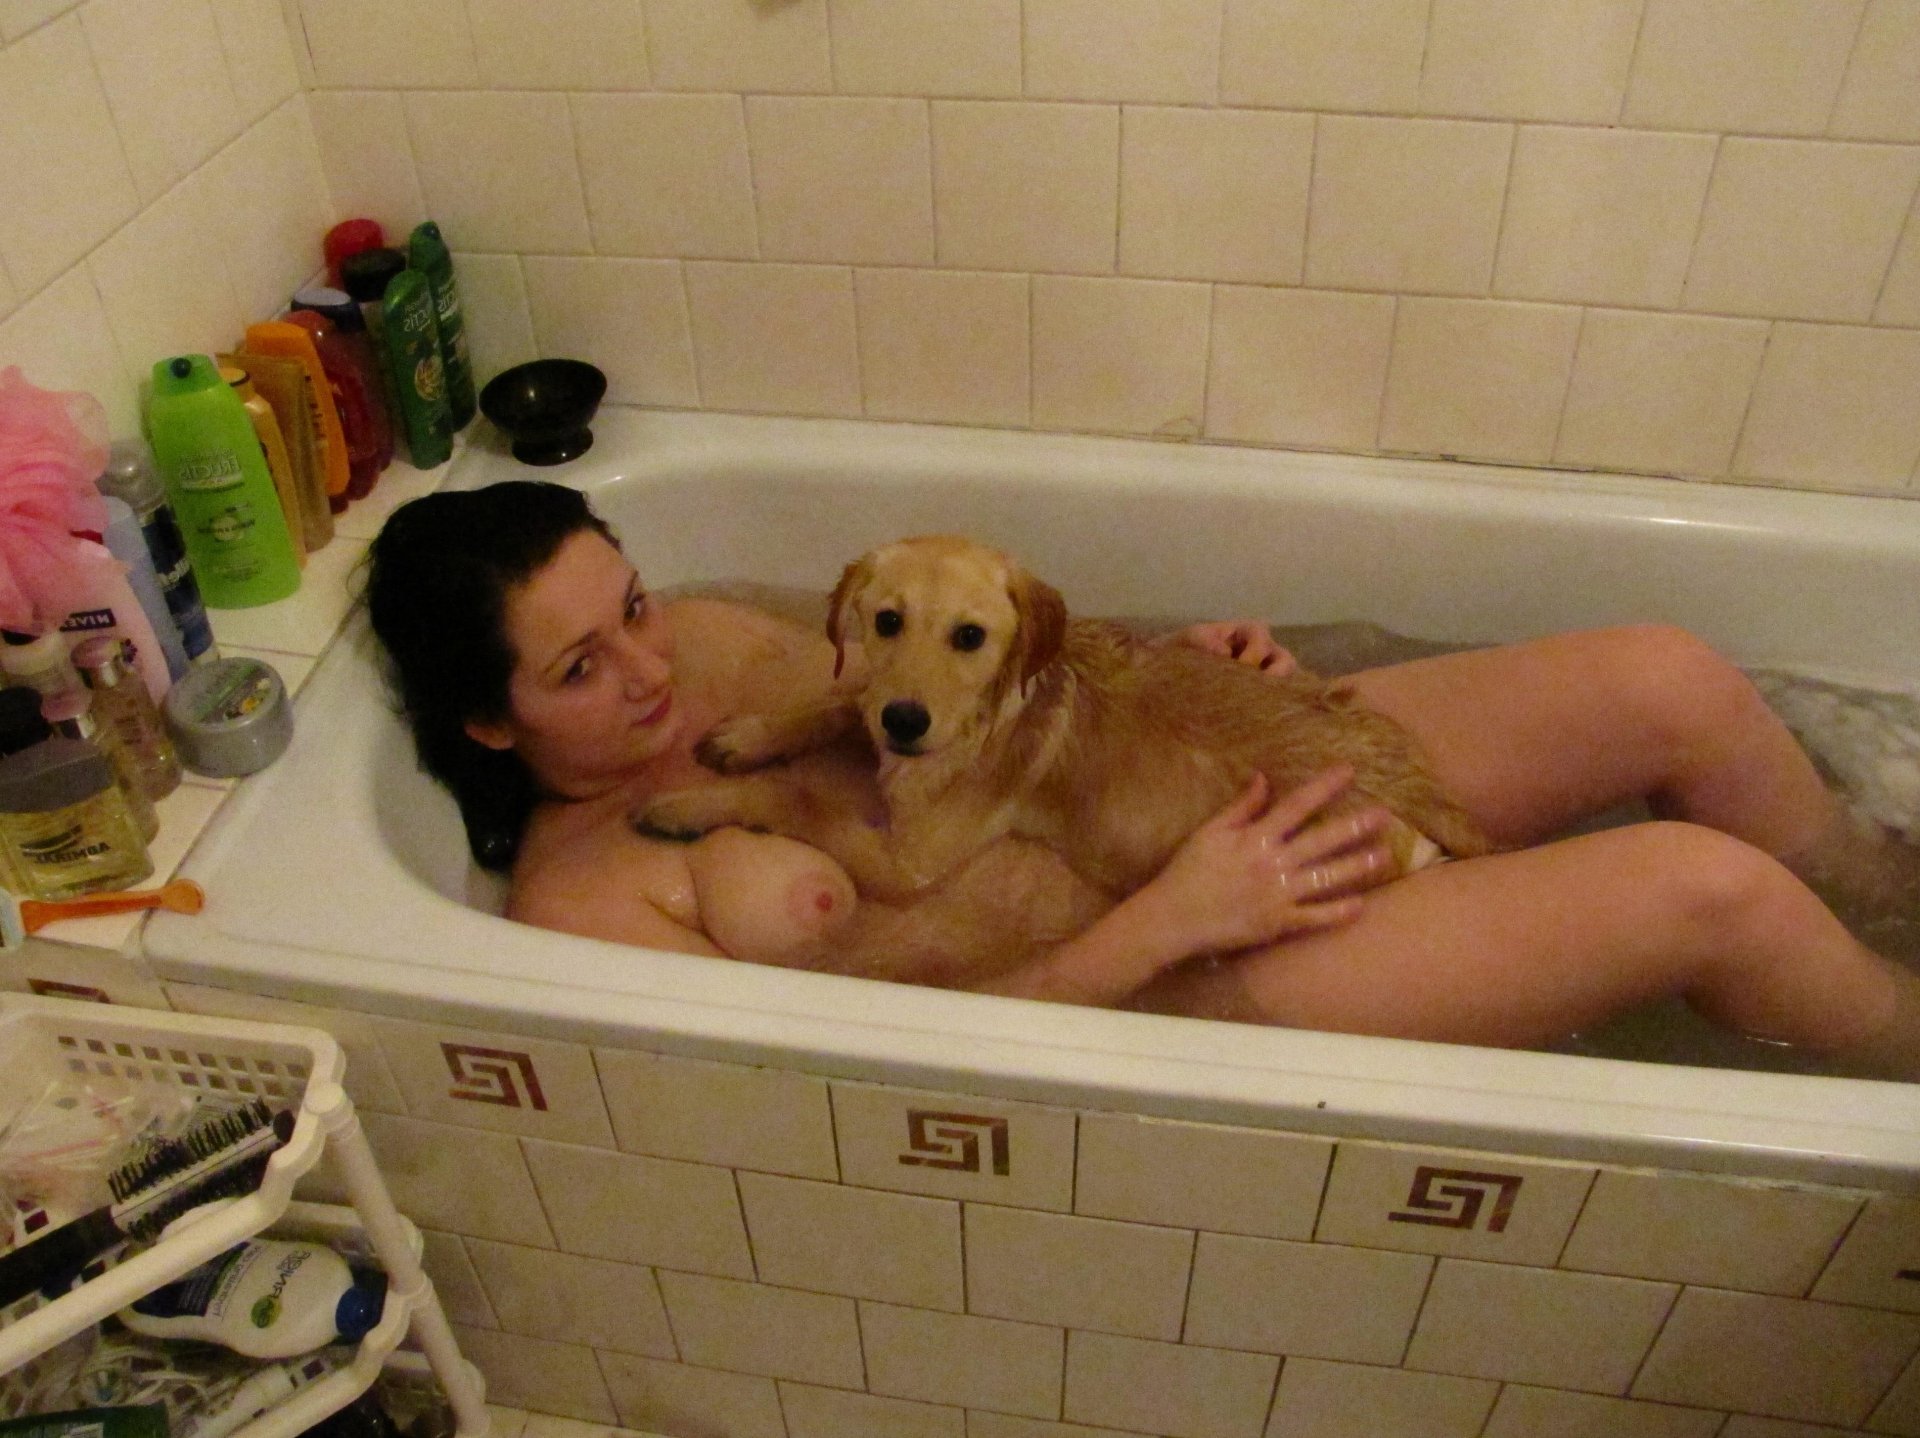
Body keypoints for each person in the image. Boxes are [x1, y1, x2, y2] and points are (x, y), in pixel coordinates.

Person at [364, 481, 1920, 1079]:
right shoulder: (585, 909)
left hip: (1174, 776)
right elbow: (870, 1089)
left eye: (631, 605)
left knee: (1666, 677)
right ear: (488, 723)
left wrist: (1159, 683)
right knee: (1707, 895)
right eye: (579, 668)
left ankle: (1890, 885)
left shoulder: (704, 641)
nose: (649, 669)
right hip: (1182, 958)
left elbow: (951, 669)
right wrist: (1176, 917)